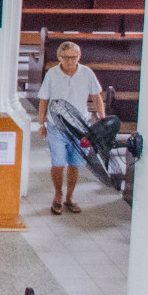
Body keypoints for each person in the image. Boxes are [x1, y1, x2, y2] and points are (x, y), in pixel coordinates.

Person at [38, 40, 105, 214]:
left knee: (75, 164)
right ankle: (58, 195)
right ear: (60, 57)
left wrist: (102, 118)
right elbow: (44, 99)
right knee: (58, 163)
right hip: (56, 125)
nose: (70, 61)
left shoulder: (86, 73)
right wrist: (41, 123)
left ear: (79, 57)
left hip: (79, 127)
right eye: (67, 58)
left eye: (74, 57)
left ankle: (70, 197)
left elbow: (96, 97)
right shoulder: (52, 74)